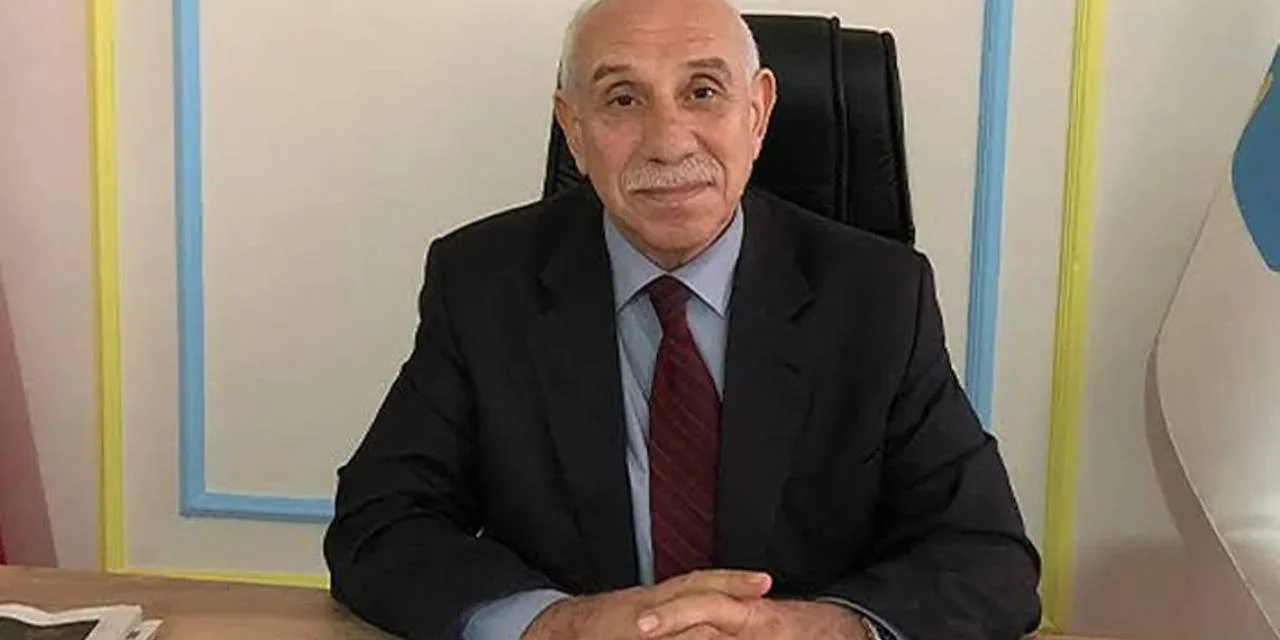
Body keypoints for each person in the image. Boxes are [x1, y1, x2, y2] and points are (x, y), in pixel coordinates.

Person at [322, 0, 1042, 637]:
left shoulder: (878, 296)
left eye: (702, 92)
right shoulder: (482, 284)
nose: (668, 142)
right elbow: (380, 523)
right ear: (574, 129)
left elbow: (987, 557)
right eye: (622, 99)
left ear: (757, 113)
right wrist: (556, 626)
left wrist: (808, 632)